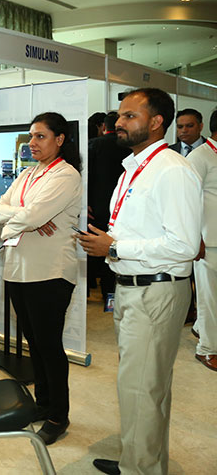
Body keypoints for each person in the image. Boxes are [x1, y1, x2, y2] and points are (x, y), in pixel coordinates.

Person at [77, 88, 201, 475]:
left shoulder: (172, 170)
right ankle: (140, 461)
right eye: (119, 115)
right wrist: (107, 240)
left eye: (130, 116)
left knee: (142, 390)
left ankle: (140, 469)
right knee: (142, 388)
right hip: (135, 288)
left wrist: (114, 247)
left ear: (156, 122)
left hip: (154, 290)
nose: (118, 122)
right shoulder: (135, 167)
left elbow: (184, 245)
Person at [0, 112, 82, 446]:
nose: (32, 143)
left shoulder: (66, 175)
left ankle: (58, 415)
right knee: (35, 345)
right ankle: (43, 403)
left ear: (59, 139)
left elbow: (32, 216)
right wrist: (26, 218)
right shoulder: (27, 174)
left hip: (50, 273)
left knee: (49, 346)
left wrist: (22, 220)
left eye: (40, 136)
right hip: (18, 270)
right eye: (31, 136)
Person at [87, 111, 131, 304]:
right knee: (113, 250)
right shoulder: (129, 147)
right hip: (122, 207)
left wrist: (86, 202)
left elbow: (87, 176)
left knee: (92, 249)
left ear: (104, 127)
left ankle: (88, 291)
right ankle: (109, 297)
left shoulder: (94, 145)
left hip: (96, 208)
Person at [188, 108, 217, 372]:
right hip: (208, 241)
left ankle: (200, 327)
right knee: (208, 297)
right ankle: (207, 349)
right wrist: (195, 237)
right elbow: (189, 201)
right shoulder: (199, 156)